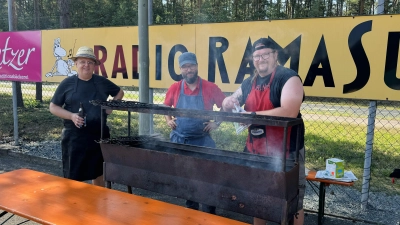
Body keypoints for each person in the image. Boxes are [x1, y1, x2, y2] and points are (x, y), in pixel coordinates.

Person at [221, 38, 306, 225]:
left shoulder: (289, 78)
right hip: (256, 151)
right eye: (257, 56)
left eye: (266, 54)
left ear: (275, 55)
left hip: (287, 152)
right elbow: (231, 100)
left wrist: (251, 115)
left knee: (292, 200)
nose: (261, 59)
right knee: (258, 197)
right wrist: (227, 102)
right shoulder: (248, 82)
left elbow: (289, 112)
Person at [49, 46, 124, 187]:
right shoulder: (67, 84)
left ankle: (99, 203)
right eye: (82, 62)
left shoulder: (101, 82)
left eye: (90, 62)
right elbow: (53, 107)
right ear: (76, 64)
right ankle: (73, 204)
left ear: (95, 65)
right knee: (73, 176)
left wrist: (111, 107)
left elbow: (119, 92)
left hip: (99, 135)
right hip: (74, 138)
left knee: (98, 173)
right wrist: (71, 116)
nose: (86, 65)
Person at [163, 52, 226, 214]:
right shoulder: (175, 88)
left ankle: (209, 213)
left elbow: (226, 106)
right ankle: (191, 213)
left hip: (203, 141)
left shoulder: (210, 87)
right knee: (187, 179)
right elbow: (164, 108)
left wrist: (216, 123)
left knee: (207, 179)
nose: (188, 69)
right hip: (180, 141)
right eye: (184, 67)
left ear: (197, 66)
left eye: (191, 65)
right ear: (180, 69)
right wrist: (168, 119)